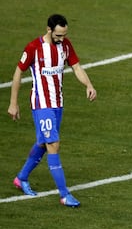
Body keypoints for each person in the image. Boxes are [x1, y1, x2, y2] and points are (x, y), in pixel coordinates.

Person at [8, 14, 97, 207]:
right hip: (42, 105)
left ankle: (21, 178)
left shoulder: (65, 45)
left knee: (43, 142)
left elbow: (76, 67)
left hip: (58, 103)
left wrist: (88, 84)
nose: (62, 39)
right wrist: (13, 103)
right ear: (49, 30)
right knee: (53, 144)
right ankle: (64, 195)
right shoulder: (33, 48)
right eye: (58, 35)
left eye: (64, 35)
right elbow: (18, 73)